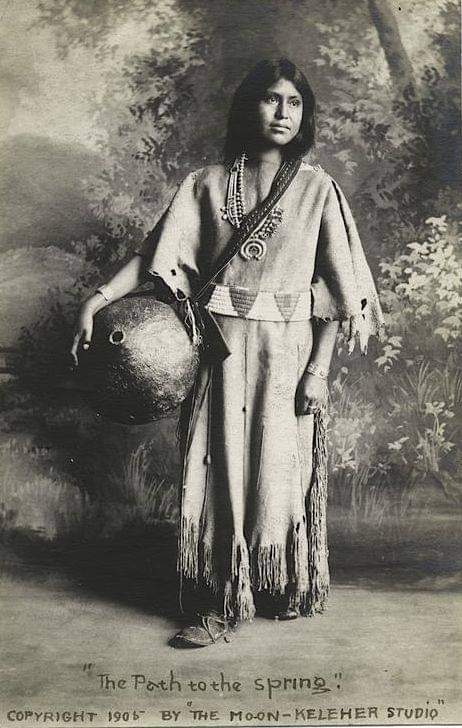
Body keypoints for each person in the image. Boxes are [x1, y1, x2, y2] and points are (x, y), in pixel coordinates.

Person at [71, 58, 384, 648]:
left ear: (305, 114)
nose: (282, 112)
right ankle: (219, 599)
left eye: (294, 103)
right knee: (217, 467)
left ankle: (283, 579)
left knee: (281, 467)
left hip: (288, 351)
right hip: (216, 348)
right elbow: (155, 257)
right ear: (248, 107)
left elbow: (336, 295)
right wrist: (96, 299)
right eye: (270, 99)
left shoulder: (318, 190)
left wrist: (319, 370)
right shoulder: (207, 184)